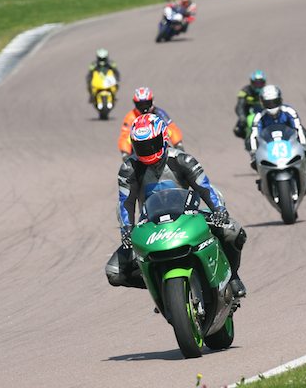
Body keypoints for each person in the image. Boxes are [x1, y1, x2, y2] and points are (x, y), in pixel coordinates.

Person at [106, 113, 247, 297]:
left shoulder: (183, 160)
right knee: (114, 272)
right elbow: (126, 201)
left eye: (152, 144)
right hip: (150, 225)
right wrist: (126, 229)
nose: (147, 150)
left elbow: (205, 188)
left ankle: (233, 277)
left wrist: (219, 210)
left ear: (164, 138)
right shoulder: (129, 168)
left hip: (188, 217)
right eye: (141, 146)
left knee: (233, 231)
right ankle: (162, 289)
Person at [249, 85, 306, 171]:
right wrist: (253, 152)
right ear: (263, 103)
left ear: (280, 100)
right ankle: (263, 174)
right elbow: (254, 135)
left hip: (289, 140)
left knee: (305, 134)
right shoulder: (259, 116)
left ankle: (304, 169)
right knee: (249, 144)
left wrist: (303, 145)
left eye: (274, 102)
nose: (272, 106)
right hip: (268, 143)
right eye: (268, 103)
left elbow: (298, 128)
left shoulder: (289, 111)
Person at [118, 87, 184, 160]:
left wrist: (178, 144)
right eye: (140, 105)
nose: (143, 107)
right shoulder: (130, 116)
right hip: (139, 152)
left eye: (146, 103)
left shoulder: (160, 113)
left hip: (158, 149)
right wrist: (125, 153)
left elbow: (171, 129)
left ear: (152, 101)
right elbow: (125, 135)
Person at [234, 70, 266, 139]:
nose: (258, 86)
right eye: (256, 83)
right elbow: (239, 106)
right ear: (252, 83)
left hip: (263, 114)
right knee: (237, 130)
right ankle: (247, 139)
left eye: (260, 83)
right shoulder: (245, 91)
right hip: (248, 114)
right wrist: (242, 117)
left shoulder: (267, 91)